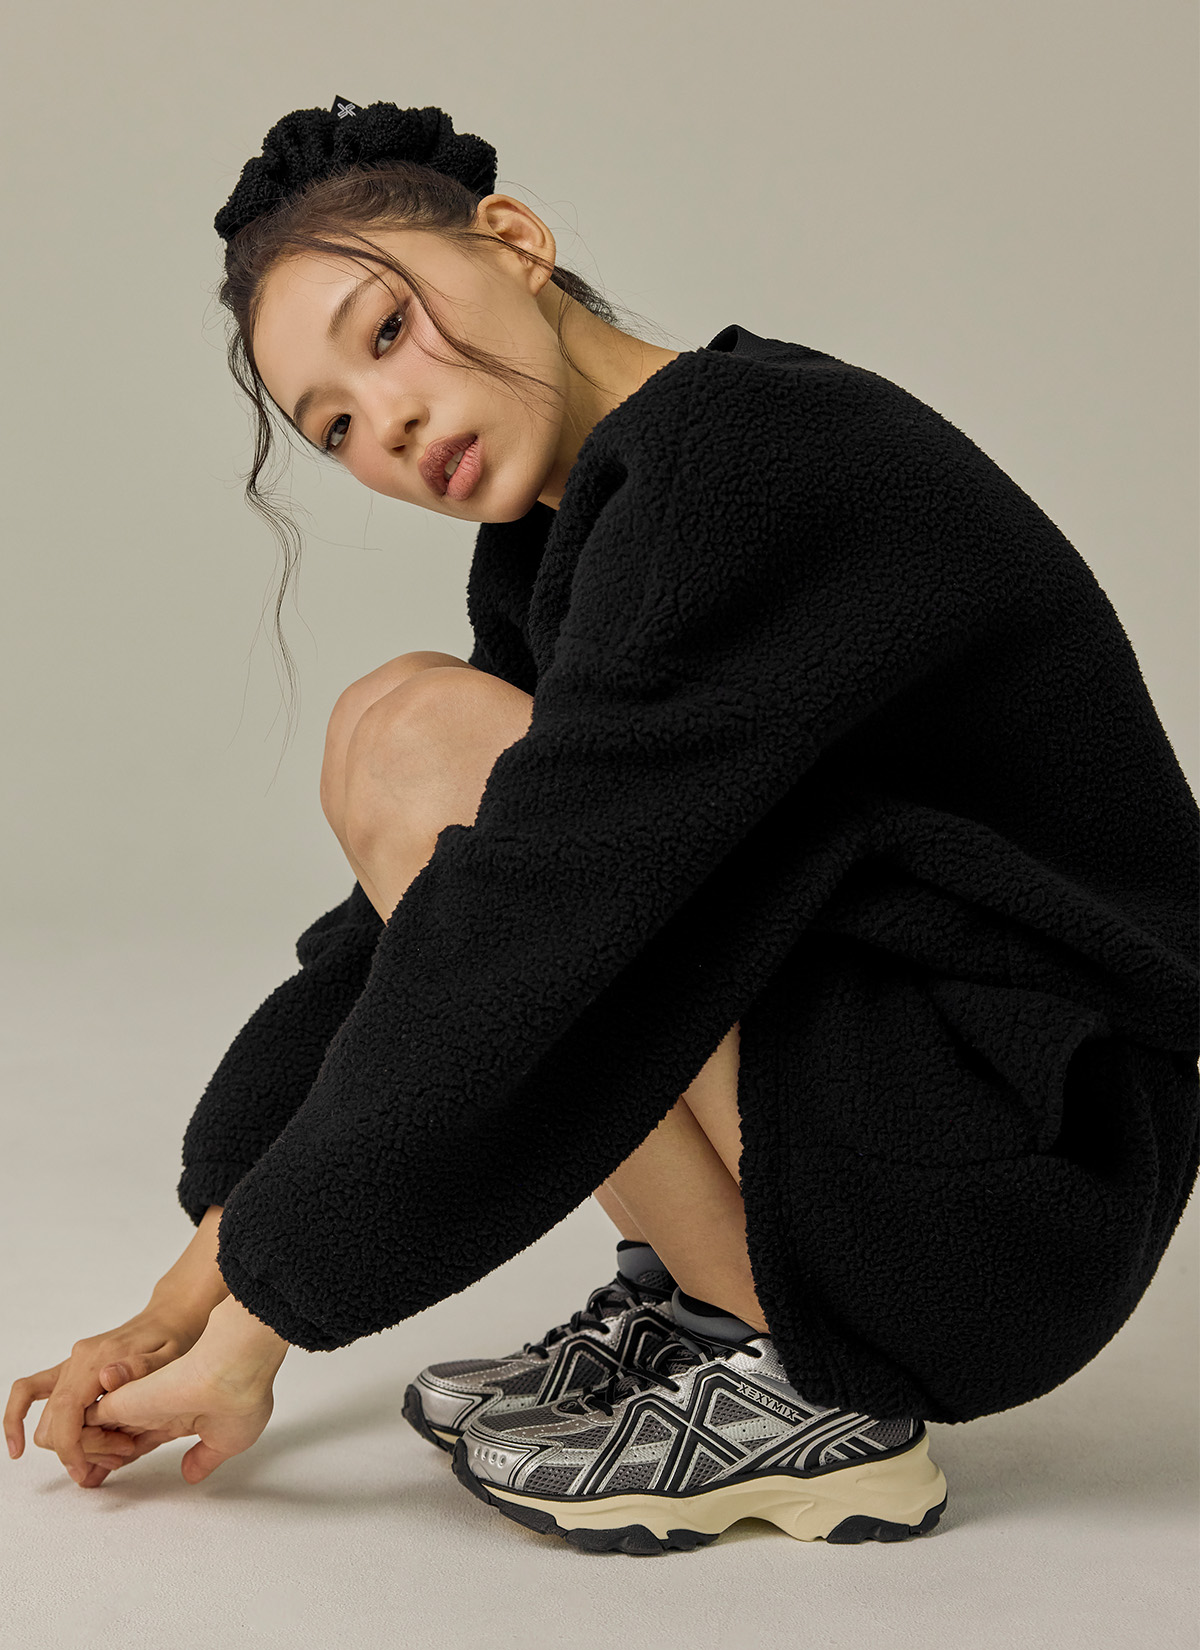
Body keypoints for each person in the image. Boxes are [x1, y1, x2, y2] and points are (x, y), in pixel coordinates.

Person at [6, 96, 1198, 1557]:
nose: (389, 425)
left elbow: (513, 932)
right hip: (923, 1136)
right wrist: (179, 1301)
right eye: (337, 427)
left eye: (388, 334)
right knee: (433, 763)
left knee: (426, 747)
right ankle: (713, 1312)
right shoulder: (582, 535)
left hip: (1002, 1201)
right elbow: (419, 939)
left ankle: (814, 1392)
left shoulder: (743, 463)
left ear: (514, 240)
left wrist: (261, 1319)